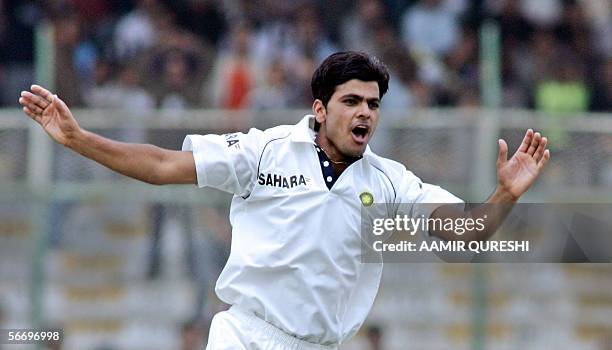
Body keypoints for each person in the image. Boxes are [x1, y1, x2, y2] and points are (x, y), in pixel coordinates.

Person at [18, 51, 550, 349]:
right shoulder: (265, 150)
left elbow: (468, 231)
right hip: (245, 336)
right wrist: (79, 140)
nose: (365, 112)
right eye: (352, 101)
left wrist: (503, 194)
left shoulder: (391, 183)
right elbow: (161, 166)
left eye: (374, 103)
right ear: (320, 109)